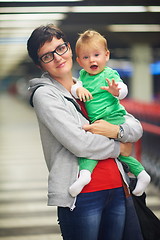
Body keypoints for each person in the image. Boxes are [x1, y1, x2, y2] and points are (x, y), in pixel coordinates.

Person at [27, 24, 143, 240]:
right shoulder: (45, 95)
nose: (58, 58)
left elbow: (135, 126)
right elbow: (80, 143)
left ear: (69, 48)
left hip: (117, 187)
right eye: (47, 56)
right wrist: (121, 146)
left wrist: (116, 130)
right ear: (39, 64)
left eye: (60, 49)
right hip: (81, 196)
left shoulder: (92, 82)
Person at [69, 30, 150, 198]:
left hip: (113, 117)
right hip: (99, 121)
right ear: (79, 61)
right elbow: (74, 87)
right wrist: (79, 89)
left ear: (106, 55)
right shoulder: (82, 76)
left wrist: (116, 91)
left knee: (96, 148)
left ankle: (85, 173)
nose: (92, 59)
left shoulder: (110, 74)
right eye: (86, 57)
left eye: (96, 55)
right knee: (117, 152)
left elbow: (123, 89)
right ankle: (142, 174)